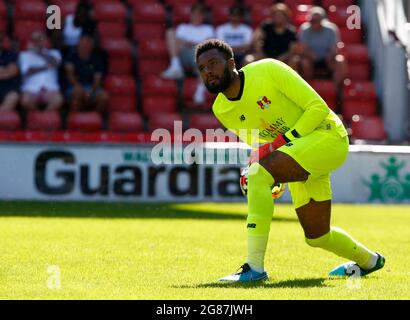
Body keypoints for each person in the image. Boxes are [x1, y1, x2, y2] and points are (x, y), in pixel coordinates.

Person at [195, 39, 385, 282]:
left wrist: (270, 159)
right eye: (202, 68)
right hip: (299, 151)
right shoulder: (221, 109)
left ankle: (254, 268)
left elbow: (317, 108)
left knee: (258, 175)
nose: (208, 71)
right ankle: (370, 261)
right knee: (317, 236)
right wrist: (267, 168)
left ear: (231, 63)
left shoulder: (268, 70)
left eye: (213, 63)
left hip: (327, 136)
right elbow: (259, 144)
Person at [161, 3, 214, 80]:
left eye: (199, 14)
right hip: (183, 54)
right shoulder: (183, 27)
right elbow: (177, 43)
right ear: (190, 15)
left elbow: (209, 44)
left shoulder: (208, 29)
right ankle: (175, 65)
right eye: (194, 14)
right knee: (170, 32)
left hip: (198, 55)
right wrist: (187, 43)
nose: (196, 17)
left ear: (203, 16)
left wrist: (194, 44)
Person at [298, 6, 346, 87]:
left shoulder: (331, 29)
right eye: (311, 20)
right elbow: (303, 48)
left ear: (322, 20)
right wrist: (311, 55)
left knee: (340, 61)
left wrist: (330, 56)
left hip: (328, 59)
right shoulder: (304, 29)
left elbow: (334, 47)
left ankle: (338, 91)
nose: (313, 22)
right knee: (305, 62)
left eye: (315, 20)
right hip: (311, 59)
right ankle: (308, 88)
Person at [19, 31, 63, 111]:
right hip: (31, 88)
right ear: (31, 41)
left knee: (58, 100)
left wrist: (39, 53)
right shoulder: (24, 55)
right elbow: (27, 71)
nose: (37, 42)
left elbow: (56, 64)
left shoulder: (54, 53)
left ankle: (43, 118)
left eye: (39, 39)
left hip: (50, 87)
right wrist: (47, 67)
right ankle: (37, 117)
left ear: (44, 40)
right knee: (25, 101)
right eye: (34, 40)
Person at [64, 34, 108, 114]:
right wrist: (78, 86)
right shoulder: (71, 57)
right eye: (83, 44)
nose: (85, 46)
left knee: (104, 97)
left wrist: (91, 91)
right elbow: (70, 75)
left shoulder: (97, 59)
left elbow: (97, 79)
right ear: (78, 45)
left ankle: (95, 118)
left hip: (91, 87)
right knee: (77, 94)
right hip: (75, 86)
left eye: (87, 45)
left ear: (91, 47)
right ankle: (76, 118)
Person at [244, 3, 298, 67]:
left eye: (281, 16)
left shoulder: (291, 31)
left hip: (283, 60)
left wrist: (278, 60)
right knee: (248, 59)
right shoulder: (266, 26)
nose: (278, 18)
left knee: (295, 60)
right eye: (276, 15)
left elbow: (291, 50)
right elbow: (257, 40)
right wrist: (262, 55)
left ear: (286, 17)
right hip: (264, 57)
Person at [0, 32, 19, 112]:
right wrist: (4, 70)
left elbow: (12, 72)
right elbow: (7, 72)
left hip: (7, 87)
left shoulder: (9, 54)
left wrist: (5, 72)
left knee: (13, 97)